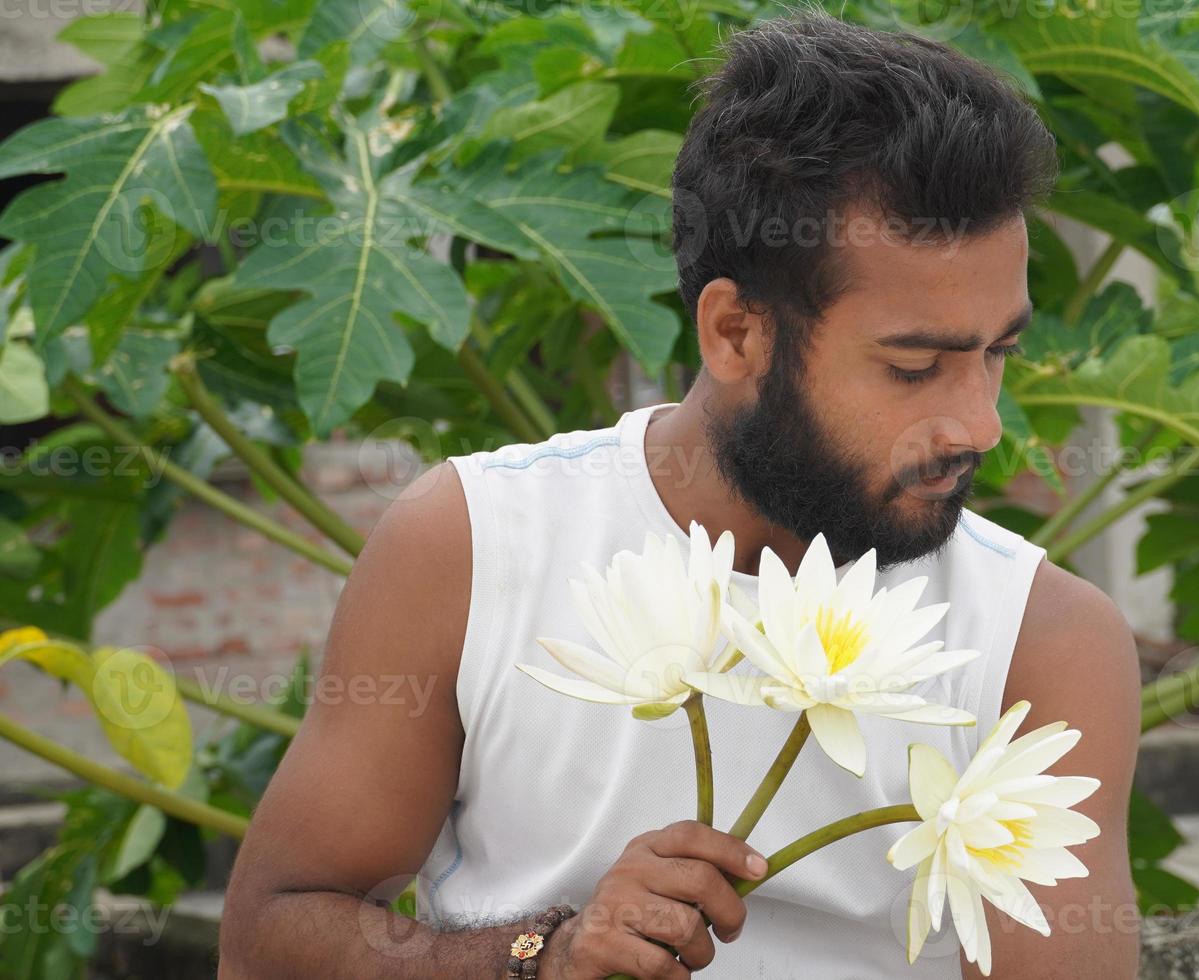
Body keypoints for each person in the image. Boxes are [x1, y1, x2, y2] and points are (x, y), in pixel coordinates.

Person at [218, 10, 1140, 979]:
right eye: (914, 365)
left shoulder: (1042, 641)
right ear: (735, 331)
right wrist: (539, 955)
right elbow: (267, 938)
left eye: (999, 352)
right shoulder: (474, 543)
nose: (978, 424)